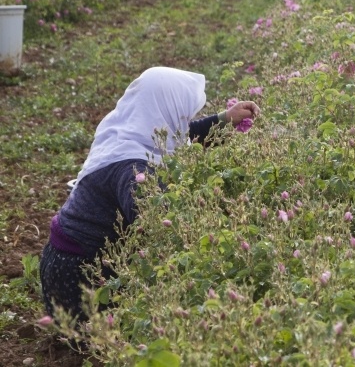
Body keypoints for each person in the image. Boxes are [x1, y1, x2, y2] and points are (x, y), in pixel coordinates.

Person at [39, 67, 261, 323]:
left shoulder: (126, 133)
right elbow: (155, 226)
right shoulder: (133, 169)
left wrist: (223, 118)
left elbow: (180, 134)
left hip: (64, 262)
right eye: (182, 115)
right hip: (79, 278)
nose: (184, 122)